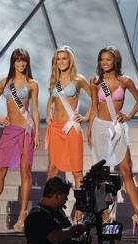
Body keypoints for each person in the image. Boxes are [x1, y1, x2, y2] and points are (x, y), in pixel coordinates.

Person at [88, 46, 138, 234]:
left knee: (126, 170)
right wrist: (90, 130)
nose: (105, 63)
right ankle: (105, 217)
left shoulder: (125, 81)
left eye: (109, 60)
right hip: (100, 128)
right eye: (102, 60)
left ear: (116, 62)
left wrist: (128, 115)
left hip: (117, 128)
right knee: (101, 175)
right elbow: (94, 108)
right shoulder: (95, 82)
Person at [0, 48, 41, 233]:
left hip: (26, 131)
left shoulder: (32, 84)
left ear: (27, 63)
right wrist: (0, 117)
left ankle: (23, 215)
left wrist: (37, 133)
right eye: (18, 61)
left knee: (25, 172)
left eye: (24, 61)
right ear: (13, 62)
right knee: (0, 171)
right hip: (10, 131)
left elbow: (37, 110)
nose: (21, 64)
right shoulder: (5, 83)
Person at [45, 46, 91, 188]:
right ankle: (47, 208)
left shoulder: (78, 79)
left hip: (71, 127)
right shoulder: (55, 80)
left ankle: (80, 209)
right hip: (56, 128)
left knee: (77, 171)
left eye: (64, 58)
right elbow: (51, 100)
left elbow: (97, 99)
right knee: (52, 168)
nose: (61, 62)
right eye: (58, 59)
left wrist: (86, 117)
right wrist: (48, 112)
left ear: (70, 60)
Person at [24, 176, 86, 244]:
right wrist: (72, 230)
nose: (66, 200)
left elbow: (65, 234)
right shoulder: (36, 216)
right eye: (65, 196)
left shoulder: (58, 212)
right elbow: (54, 238)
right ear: (58, 196)